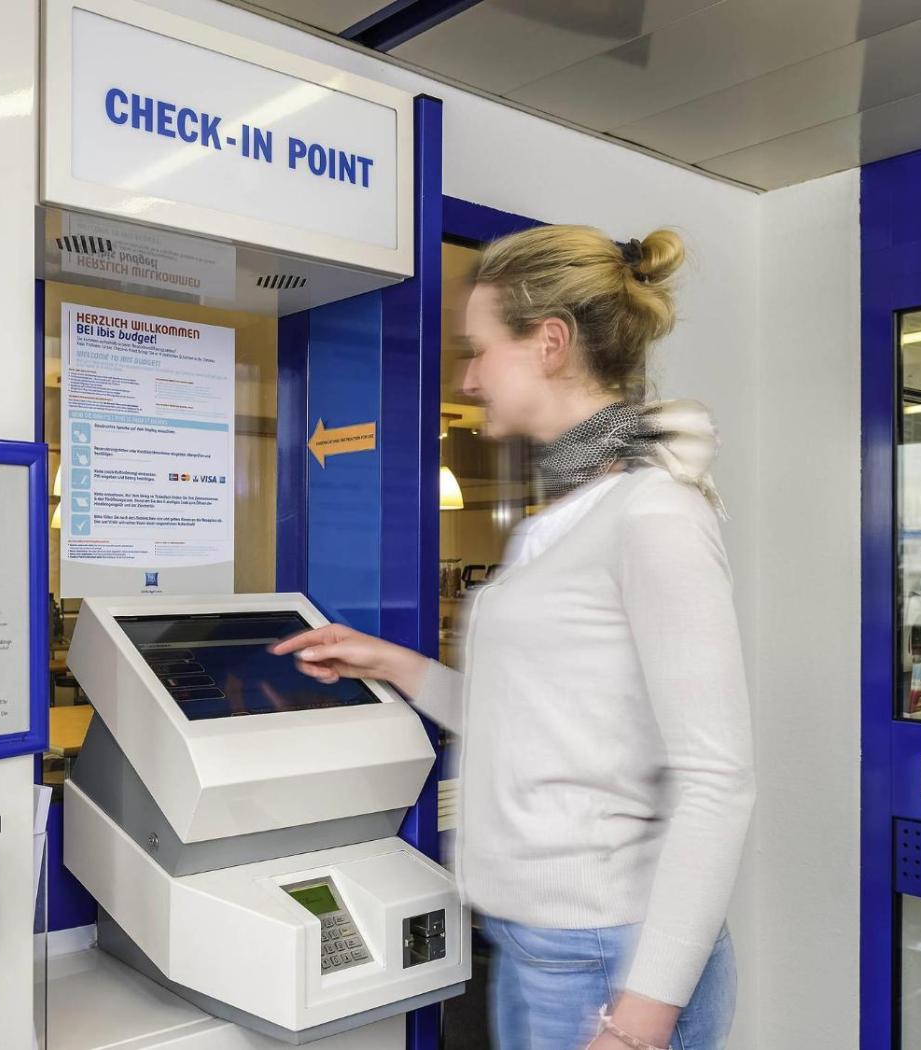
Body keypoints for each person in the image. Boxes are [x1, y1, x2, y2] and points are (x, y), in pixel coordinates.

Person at [272, 226, 754, 1050]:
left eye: (480, 350)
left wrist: (642, 1019)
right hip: (545, 947)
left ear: (550, 343)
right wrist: (393, 665)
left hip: (607, 960)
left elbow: (718, 780)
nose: (468, 378)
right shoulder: (561, 520)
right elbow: (538, 723)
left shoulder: (653, 513)